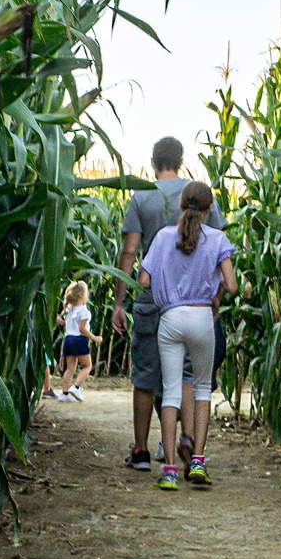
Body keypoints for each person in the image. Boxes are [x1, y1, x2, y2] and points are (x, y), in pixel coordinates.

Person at [112, 137, 225, 470]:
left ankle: (141, 451)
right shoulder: (199, 194)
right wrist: (215, 298)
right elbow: (218, 250)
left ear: (152, 162)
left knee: (145, 375)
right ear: (180, 161)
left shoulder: (141, 196)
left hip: (152, 297)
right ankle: (186, 440)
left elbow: (130, 251)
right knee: (187, 375)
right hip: (193, 299)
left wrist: (120, 301)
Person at [139, 181, 237, 489]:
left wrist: (167, 286)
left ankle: (169, 470)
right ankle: (197, 462)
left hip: (170, 318)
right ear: (210, 210)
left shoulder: (163, 237)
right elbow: (232, 285)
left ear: (181, 205)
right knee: (202, 389)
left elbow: (144, 280)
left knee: (170, 392)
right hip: (202, 317)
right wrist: (216, 293)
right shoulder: (218, 238)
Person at [55, 280, 101, 402]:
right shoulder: (84, 311)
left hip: (68, 340)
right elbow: (82, 329)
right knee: (87, 366)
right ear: (83, 295)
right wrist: (94, 338)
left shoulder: (69, 309)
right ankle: (76, 388)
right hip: (79, 340)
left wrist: (60, 320)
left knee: (70, 368)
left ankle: (64, 394)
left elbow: (66, 323)